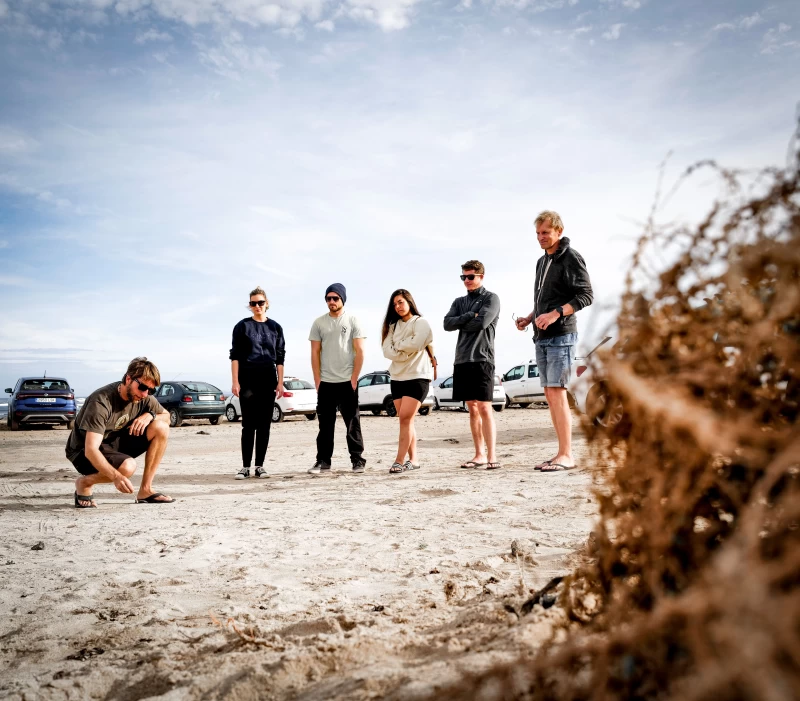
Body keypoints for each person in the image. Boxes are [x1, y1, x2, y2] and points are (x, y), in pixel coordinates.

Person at [515, 210, 593, 472]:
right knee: (550, 394)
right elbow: (544, 301)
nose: (541, 238)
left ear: (559, 231)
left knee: (558, 394)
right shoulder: (542, 261)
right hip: (542, 336)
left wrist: (556, 313)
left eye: (545, 232)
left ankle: (567, 455)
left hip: (562, 335)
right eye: (537, 233)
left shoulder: (571, 257)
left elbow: (586, 295)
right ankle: (560, 452)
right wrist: (529, 318)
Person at [66, 357, 173, 508]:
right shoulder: (101, 401)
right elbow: (91, 450)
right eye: (142, 388)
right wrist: (116, 477)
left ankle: (145, 490)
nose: (145, 394)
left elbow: (167, 417)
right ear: (128, 379)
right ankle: (84, 483)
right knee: (128, 467)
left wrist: (150, 415)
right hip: (82, 451)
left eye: (151, 390)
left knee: (161, 427)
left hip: (115, 442)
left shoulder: (145, 398)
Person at [443, 260, 502, 470]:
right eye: (464, 277)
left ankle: (492, 456)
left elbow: (482, 323)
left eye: (471, 277)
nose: (467, 280)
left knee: (485, 407)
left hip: (482, 358)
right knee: (472, 408)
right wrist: (468, 316)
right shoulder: (459, 302)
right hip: (462, 359)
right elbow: (447, 324)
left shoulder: (491, 298)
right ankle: (479, 455)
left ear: (481, 277)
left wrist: (462, 321)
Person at [308, 283, 367, 474]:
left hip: (347, 381)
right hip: (326, 382)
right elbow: (315, 353)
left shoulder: (352, 320)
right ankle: (323, 461)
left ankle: (357, 460)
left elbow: (360, 351)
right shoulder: (319, 323)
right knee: (325, 425)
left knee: (352, 423)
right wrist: (317, 379)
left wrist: (354, 377)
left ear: (342, 299)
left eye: (335, 298)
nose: (331, 301)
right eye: (328, 298)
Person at [230, 286, 286, 479]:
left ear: (266, 304)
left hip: (268, 377)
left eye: (260, 303)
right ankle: (245, 467)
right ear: (250, 305)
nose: (257, 306)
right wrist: (235, 381)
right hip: (247, 377)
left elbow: (280, 357)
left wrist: (280, 382)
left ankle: (259, 466)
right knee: (248, 424)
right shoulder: (242, 326)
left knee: (264, 425)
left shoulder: (276, 327)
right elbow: (235, 356)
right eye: (253, 303)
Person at [381, 289, 436, 473]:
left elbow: (417, 343)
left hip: (418, 376)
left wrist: (399, 347)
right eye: (395, 304)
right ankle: (414, 460)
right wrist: (403, 349)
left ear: (409, 302)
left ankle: (399, 460)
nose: (398, 307)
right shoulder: (393, 326)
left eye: (401, 302)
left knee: (405, 418)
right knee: (406, 421)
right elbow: (386, 350)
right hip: (397, 377)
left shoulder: (421, 323)